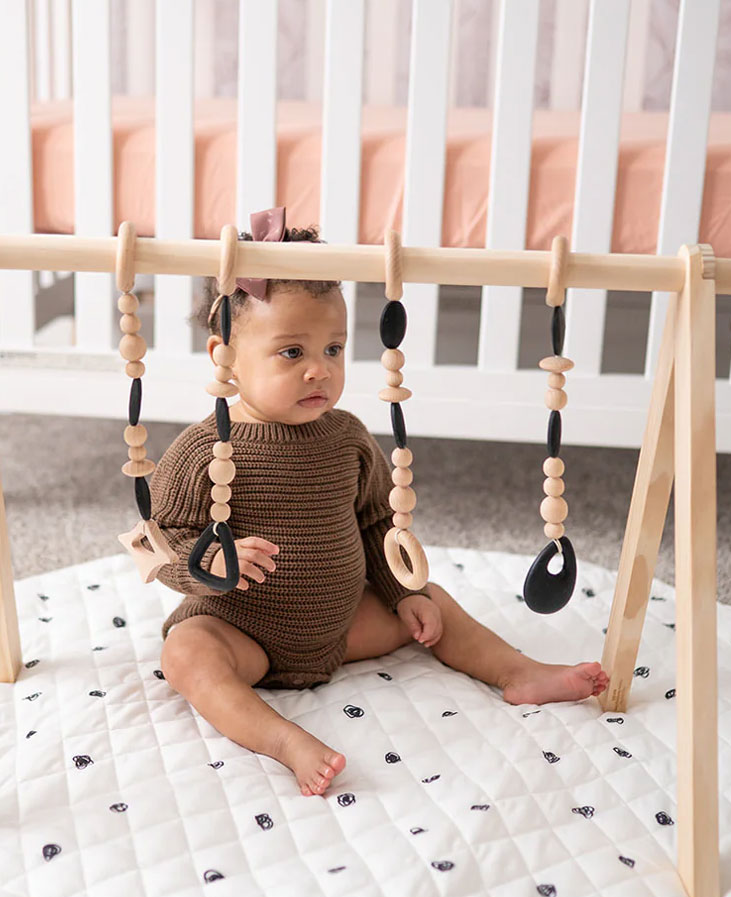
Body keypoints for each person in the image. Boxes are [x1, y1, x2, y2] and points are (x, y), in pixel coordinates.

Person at [150, 210, 609, 798]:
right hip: (246, 630)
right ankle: (284, 740)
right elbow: (160, 537)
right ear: (225, 359)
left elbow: (375, 524)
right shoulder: (205, 449)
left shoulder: (346, 437)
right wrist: (207, 562)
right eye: (292, 352)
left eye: (335, 348)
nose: (321, 369)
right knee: (186, 655)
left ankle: (518, 673)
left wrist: (399, 593)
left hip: (342, 627)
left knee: (431, 601)